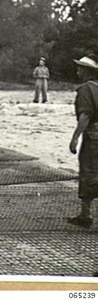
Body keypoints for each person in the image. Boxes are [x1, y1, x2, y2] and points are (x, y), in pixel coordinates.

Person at [67, 53, 98, 229]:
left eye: (80, 68)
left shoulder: (86, 89)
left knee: (89, 172)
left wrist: (75, 137)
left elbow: (85, 115)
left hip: (93, 137)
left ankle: (86, 214)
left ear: (87, 71)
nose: (77, 71)